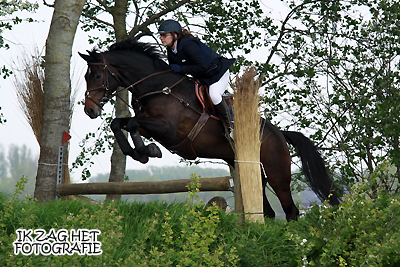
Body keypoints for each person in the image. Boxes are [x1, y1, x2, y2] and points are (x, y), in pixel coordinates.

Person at [158, 19, 235, 138]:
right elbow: (176, 71)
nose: (161, 38)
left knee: (214, 95)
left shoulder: (189, 45)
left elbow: (202, 67)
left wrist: (181, 69)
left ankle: (231, 125)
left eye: (164, 35)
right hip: (204, 77)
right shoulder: (171, 49)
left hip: (218, 73)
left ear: (175, 35)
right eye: (160, 35)